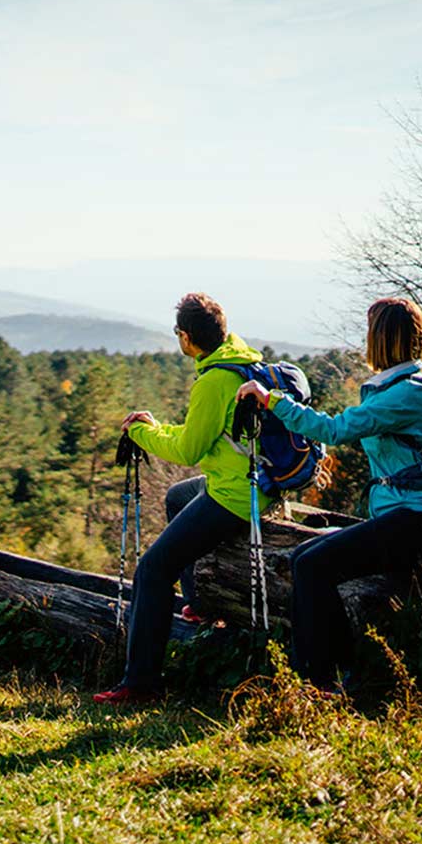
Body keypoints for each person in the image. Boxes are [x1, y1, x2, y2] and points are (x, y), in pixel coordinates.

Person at [231, 296, 422, 688]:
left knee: (313, 566)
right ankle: (320, 673)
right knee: (303, 558)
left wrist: (271, 400)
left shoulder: (407, 395)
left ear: (383, 339)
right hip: (403, 518)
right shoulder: (397, 388)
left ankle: (323, 682)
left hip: (417, 521)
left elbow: (334, 431)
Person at [93, 293, 269, 705]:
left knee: (152, 570)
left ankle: (140, 684)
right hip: (252, 483)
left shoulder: (213, 381)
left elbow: (188, 453)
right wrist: (157, 427)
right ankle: (197, 603)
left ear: (187, 338)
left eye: (178, 334)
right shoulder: (238, 361)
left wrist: (140, 434)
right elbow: (197, 435)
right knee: (177, 496)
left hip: (235, 495)